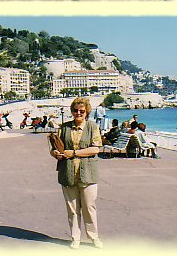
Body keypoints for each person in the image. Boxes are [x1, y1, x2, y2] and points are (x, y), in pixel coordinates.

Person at [50, 97, 103, 249]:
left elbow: (95, 149)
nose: (78, 113)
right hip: (68, 173)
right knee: (72, 210)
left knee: (89, 207)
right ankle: (76, 238)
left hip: (88, 173)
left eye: (82, 111)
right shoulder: (64, 128)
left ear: (87, 112)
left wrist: (73, 152)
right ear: (72, 112)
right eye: (75, 110)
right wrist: (56, 154)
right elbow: (54, 149)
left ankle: (93, 236)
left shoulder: (92, 127)